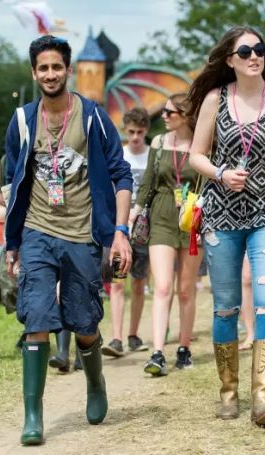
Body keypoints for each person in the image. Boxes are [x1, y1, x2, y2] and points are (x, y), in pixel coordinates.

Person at [4, 35, 132, 445]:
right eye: (43, 68)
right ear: (34, 73)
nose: (50, 74)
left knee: (84, 324)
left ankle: (95, 384)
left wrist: (120, 232)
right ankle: (33, 414)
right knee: (37, 317)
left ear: (68, 70)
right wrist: (12, 241)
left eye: (57, 66)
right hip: (38, 232)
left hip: (83, 234)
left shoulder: (92, 116)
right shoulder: (23, 120)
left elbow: (122, 175)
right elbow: (12, 181)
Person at [187, 26, 265, 427]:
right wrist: (221, 174)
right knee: (225, 307)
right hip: (222, 214)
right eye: (245, 51)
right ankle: (228, 392)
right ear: (230, 59)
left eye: (260, 49)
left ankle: (262, 397)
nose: (254, 56)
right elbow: (196, 156)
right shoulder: (214, 100)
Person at [133, 93, 203, 375]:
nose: (163, 116)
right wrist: (134, 212)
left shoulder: (202, 145)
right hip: (161, 215)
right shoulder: (159, 143)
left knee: (186, 290)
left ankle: (184, 348)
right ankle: (158, 351)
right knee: (162, 287)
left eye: (170, 112)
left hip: (191, 218)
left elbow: (209, 182)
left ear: (185, 115)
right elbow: (148, 182)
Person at [102, 107, 151, 357]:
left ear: (146, 131)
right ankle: (117, 337)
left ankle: (133, 333)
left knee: (140, 283)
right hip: (121, 229)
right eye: (131, 132)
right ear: (125, 130)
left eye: (139, 132)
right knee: (118, 284)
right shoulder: (119, 156)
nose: (135, 137)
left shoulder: (153, 155)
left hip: (144, 229)